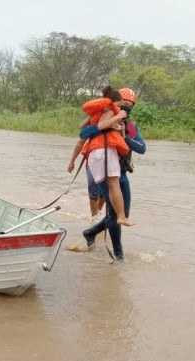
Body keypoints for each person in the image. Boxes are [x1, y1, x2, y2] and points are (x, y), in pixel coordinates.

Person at [82, 88, 146, 262]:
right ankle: (119, 255)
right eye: (124, 103)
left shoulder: (131, 127)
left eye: (130, 105)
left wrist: (125, 138)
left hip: (122, 173)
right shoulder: (105, 117)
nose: (127, 107)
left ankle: (91, 232)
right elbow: (84, 134)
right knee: (113, 214)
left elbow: (142, 148)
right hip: (105, 171)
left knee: (122, 213)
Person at [80, 87, 134, 227]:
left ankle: (98, 220)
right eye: (121, 104)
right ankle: (119, 216)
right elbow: (101, 125)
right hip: (103, 151)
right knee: (110, 185)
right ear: (115, 101)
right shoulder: (110, 110)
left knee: (106, 189)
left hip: (95, 155)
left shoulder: (100, 112)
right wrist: (117, 116)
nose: (123, 107)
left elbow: (82, 128)